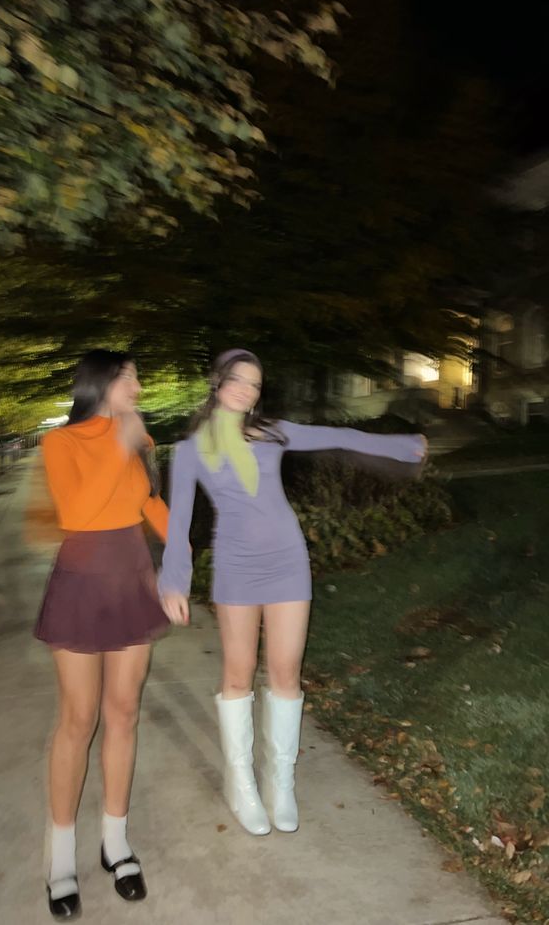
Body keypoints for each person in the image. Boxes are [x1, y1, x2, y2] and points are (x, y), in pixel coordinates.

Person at [159, 349, 427, 837]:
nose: (247, 389)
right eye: (238, 380)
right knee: (238, 676)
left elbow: (339, 436)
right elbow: (178, 525)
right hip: (237, 568)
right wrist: (173, 580)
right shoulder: (191, 450)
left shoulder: (273, 432)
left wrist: (402, 446)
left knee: (285, 673)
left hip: (287, 562)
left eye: (255, 384)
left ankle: (280, 782)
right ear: (218, 382)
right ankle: (241, 783)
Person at [34, 350, 169, 920]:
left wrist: (184, 561)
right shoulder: (61, 444)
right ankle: (58, 854)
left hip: (132, 580)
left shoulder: (137, 440)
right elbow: (78, 511)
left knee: (124, 712)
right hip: (82, 582)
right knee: (78, 718)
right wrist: (121, 443)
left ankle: (115, 840)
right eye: (131, 375)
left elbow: (147, 504)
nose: (139, 383)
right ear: (103, 382)